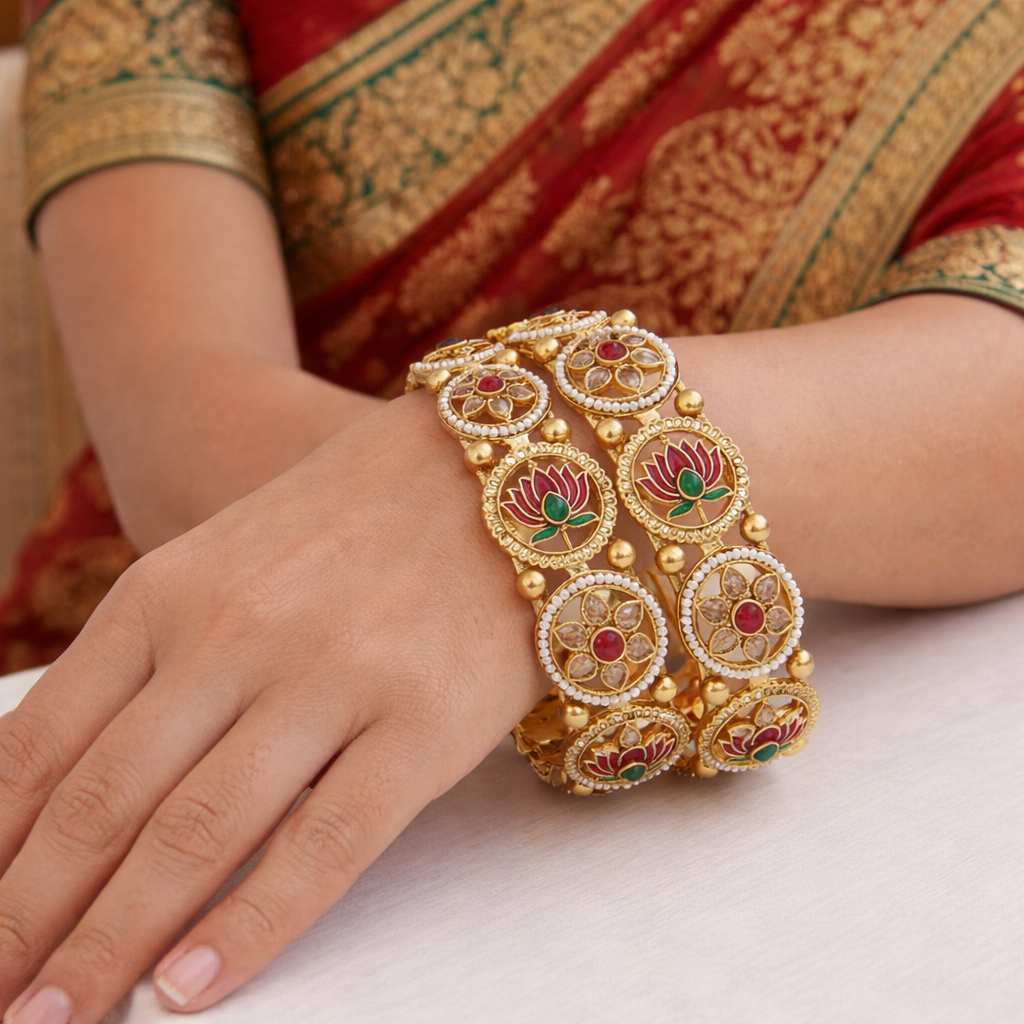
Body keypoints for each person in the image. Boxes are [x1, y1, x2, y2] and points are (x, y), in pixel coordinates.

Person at [0, 0, 1022, 1021]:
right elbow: (182, 407)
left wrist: (527, 482)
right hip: (167, 668)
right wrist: (514, 516)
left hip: (751, 843)